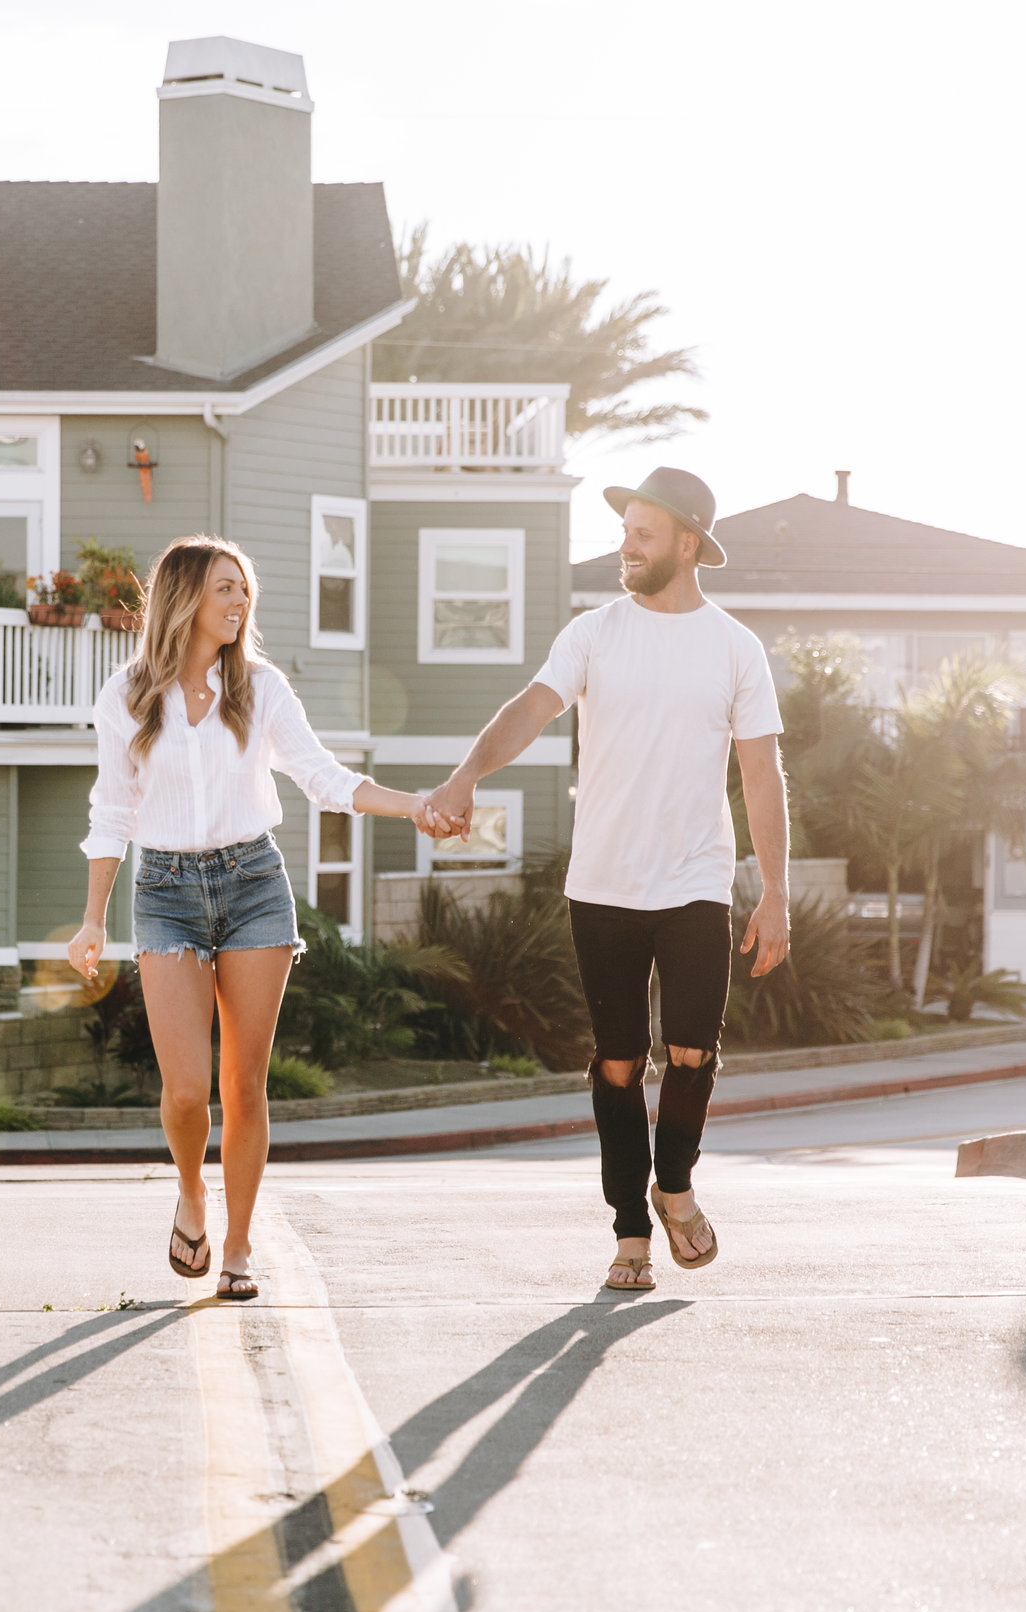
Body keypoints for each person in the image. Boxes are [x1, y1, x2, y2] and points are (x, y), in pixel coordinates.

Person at [421, 468, 791, 1290]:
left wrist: (775, 890)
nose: (626, 546)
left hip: (695, 880)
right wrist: (465, 775)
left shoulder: (735, 646)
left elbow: (762, 774)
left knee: (693, 1051)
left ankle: (675, 1184)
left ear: (687, 543)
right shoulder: (594, 633)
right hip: (605, 886)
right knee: (619, 1063)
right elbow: (531, 706)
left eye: (643, 533)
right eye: (625, 531)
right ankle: (631, 1233)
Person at [69, 535, 433, 1301]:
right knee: (184, 1090)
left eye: (244, 591)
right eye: (225, 589)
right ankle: (192, 1195)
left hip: (253, 885)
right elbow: (112, 809)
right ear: (184, 597)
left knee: (243, 1083)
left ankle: (237, 1247)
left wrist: (415, 806)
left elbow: (322, 777)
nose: (240, 603)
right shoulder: (127, 694)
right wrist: (92, 918)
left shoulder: (261, 688)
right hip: (164, 888)